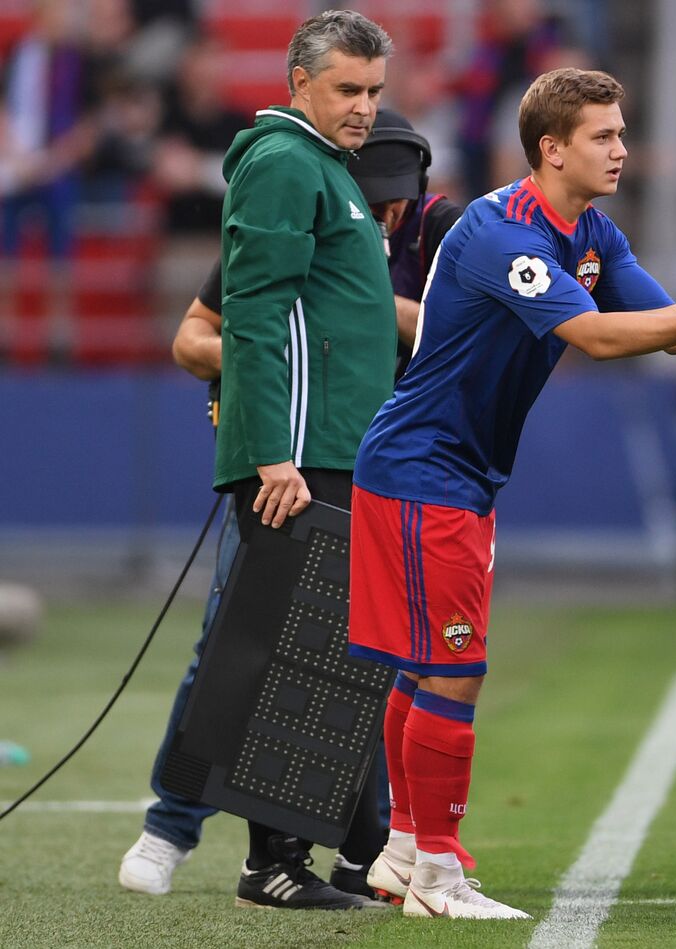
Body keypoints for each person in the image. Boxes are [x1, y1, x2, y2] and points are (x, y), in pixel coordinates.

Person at [348, 66, 676, 921]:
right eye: (604, 136)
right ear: (551, 149)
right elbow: (597, 334)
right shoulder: (500, 231)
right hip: (419, 469)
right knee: (453, 669)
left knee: (428, 665)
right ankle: (436, 875)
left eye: (621, 133)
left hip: (454, 473)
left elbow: (667, 328)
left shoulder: (591, 230)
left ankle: (404, 853)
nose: (623, 149)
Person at [118, 107, 462, 901]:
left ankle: (360, 847)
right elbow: (194, 337)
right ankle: (185, 829)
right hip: (302, 459)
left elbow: (473, 331)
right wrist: (261, 364)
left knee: (365, 655)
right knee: (242, 637)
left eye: (393, 199)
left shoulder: (443, 233)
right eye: (370, 198)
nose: (385, 212)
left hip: (392, 464)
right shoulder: (294, 208)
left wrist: (391, 316)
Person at [206, 9, 396, 911]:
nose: (363, 107)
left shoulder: (324, 168)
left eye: (373, 91)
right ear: (298, 82)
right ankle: (271, 863)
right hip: (303, 458)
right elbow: (255, 311)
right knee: (301, 656)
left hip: (335, 449)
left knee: (339, 657)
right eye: (347, 89)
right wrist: (272, 453)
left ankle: (363, 851)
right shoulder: (286, 164)